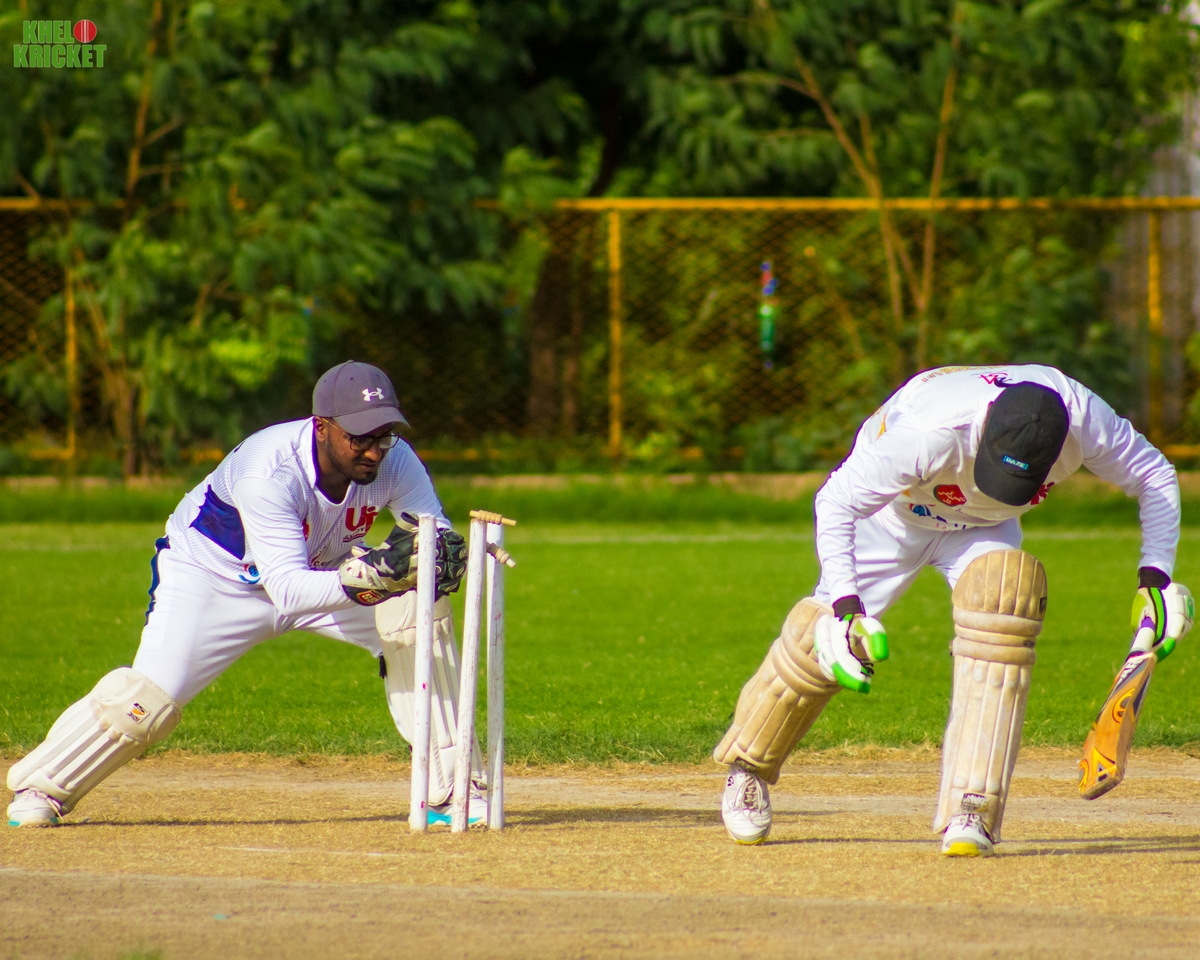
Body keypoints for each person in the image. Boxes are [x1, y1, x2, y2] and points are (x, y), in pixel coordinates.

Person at [713, 364, 1193, 855]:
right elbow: (835, 501)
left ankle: (973, 804)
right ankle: (747, 768)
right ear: (984, 432)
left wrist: (1154, 577)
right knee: (822, 641)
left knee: (1005, 600)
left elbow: (1153, 474)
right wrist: (845, 606)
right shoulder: (930, 432)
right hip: (894, 517)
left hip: (985, 527)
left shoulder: (1085, 418)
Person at [8, 361, 485, 828]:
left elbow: (431, 538)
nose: (375, 452)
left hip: (321, 568)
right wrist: (381, 574)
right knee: (144, 703)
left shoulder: (396, 460)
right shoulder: (270, 470)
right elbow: (290, 591)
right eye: (359, 437)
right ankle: (42, 785)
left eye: (383, 436)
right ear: (322, 427)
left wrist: (436, 560)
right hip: (213, 579)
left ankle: (453, 787)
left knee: (418, 609)